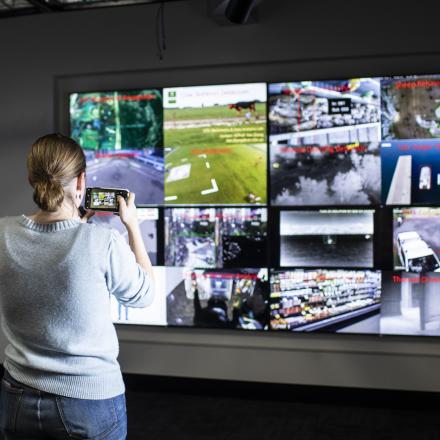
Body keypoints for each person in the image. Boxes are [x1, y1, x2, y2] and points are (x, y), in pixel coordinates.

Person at [0, 133, 155, 439]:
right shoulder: (102, 242)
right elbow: (144, 294)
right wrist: (133, 226)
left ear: (32, 177)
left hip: (15, 396)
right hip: (88, 402)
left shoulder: (2, 233)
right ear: (81, 181)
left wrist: (75, 230)